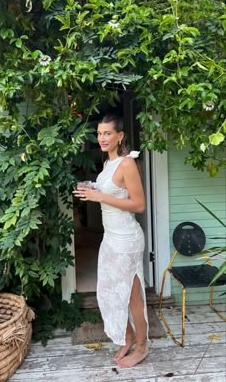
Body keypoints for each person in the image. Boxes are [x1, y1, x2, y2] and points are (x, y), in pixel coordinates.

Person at [73, 114, 149, 368]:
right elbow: (111, 191)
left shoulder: (127, 163)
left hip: (127, 239)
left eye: (107, 133)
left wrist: (99, 198)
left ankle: (142, 346)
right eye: (99, 134)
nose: (102, 138)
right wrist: (92, 190)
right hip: (111, 238)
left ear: (120, 136)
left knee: (131, 295)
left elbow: (139, 205)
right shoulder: (109, 163)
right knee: (109, 292)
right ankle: (127, 337)